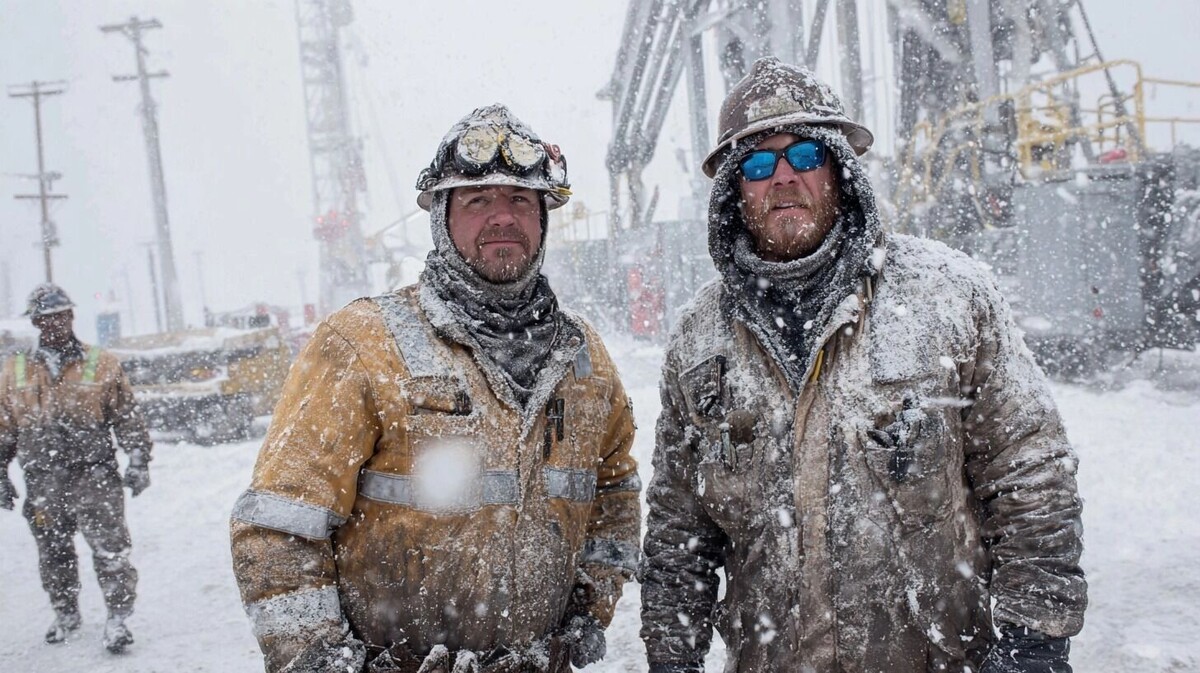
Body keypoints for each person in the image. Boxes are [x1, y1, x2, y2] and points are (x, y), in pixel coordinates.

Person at [640, 58, 1087, 673]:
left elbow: (1030, 474)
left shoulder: (948, 297)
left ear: (839, 170)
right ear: (733, 190)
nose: (784, 178)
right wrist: (672, 658)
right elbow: (677, 531)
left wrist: (1033, 641)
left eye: (805, 156)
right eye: (759, 164)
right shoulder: (699, 340)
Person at [230, 104, 641, 673]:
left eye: (521, 200)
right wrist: (321, 661)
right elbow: (278, 526)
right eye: (477, 200)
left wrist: (589, 608)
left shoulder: (583, 359)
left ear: (544, 219)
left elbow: (616, 489)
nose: (503, 217)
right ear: (441, 217)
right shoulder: (362, 345)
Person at [0, 283, 152, 653]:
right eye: (47, 317)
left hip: (95, 476)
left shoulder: (102, 363)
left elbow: (127, 416)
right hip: (42, 481)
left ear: (71, 316)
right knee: (53, 551)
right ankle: (66, 612)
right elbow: (4, 426)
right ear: (35, 321)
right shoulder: (14, 370)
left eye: (61, 315)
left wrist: (138, 460)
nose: (55, 323)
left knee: (111, 550)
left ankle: (117, 619)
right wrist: (1, 474)